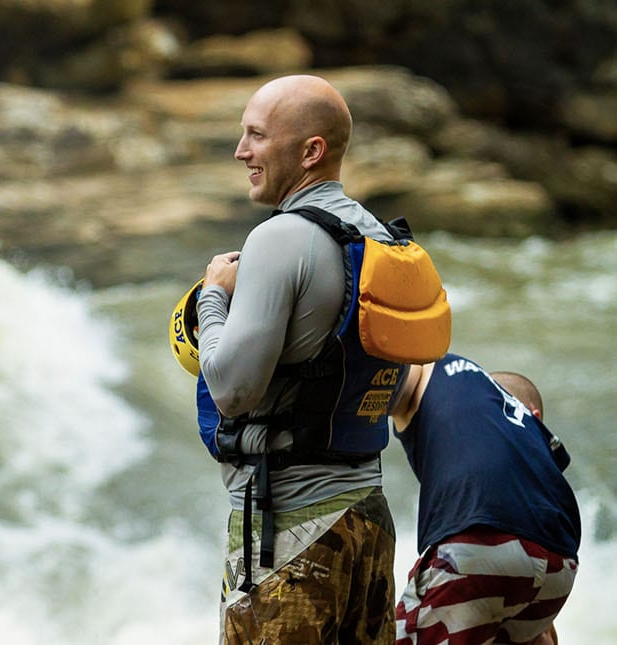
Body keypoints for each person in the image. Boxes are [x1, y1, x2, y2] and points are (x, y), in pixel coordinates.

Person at [195, 74, 443, 642]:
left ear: (310, 151)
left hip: (291, 531)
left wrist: (214, 295)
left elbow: (233, 389)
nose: (241, 152)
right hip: (367, 521)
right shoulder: (378, 239)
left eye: (256, 136)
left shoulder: (281, 238)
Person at [391, 355, 581, 645]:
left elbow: (388, 373)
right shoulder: (532, 439)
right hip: (560, 564)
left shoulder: (440, 372)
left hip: (478, 548)